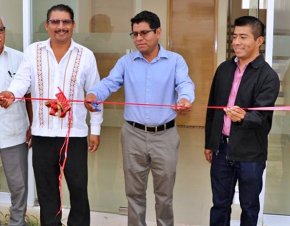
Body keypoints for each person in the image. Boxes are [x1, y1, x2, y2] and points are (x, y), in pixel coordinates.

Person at [84, 10, 194, 226]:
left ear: (158, 32)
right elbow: (109, 83)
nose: (139, 38)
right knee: (134, 194)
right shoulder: (126, 62)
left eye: (144, 33)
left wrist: (185, 99)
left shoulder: (175, 61)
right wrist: (94, 94)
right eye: (134, 34)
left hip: (165, 136)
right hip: (132, 135)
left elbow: (185, 84)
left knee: (164, 197)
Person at [0, 4, 103, 226]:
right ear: (47, 26)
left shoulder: (86, 56)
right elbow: (21, 81)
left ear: (73, 25)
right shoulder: (33, 51)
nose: (60, 27)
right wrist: (11, 93)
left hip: (74, 136)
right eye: (55, 22)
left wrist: (95, 130)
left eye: (65, 22)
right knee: (47, 194)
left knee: (78, 190)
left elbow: (96, 94)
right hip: (42, 135)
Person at [204, 16, 280, 226]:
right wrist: (210, 142)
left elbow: (262, 118)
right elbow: (212, 109)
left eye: (243, 37)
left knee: (249, 207)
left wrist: (244, 117)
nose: (236, 42)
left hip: (250, 154)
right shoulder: (224, 69)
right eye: (234, 36)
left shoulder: (268, 76)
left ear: (259, 41)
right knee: (219, 204)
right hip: (222, 149)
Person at [0, 16, 32, 226]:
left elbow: (29, 96)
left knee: (18, 187)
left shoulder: (20, 58)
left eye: (0, 30)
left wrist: (32, 125)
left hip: (14, 133)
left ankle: (16, 223)